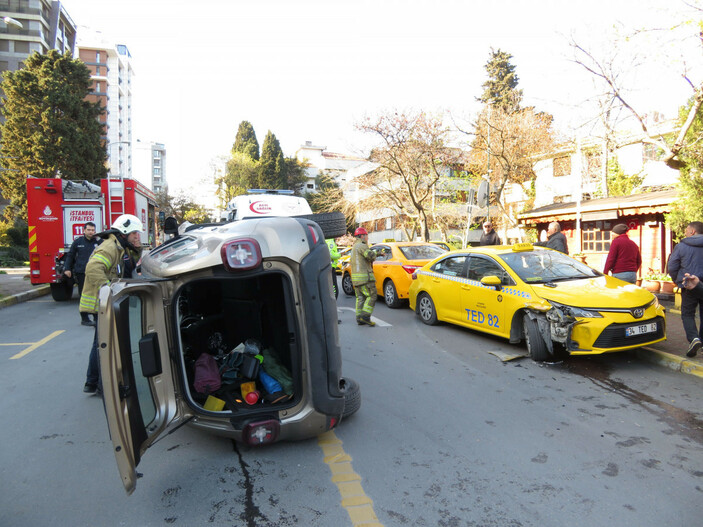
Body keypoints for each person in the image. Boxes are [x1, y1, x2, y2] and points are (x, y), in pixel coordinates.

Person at [81, 214, 144, 394]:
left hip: (104, 303)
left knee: (100, 342)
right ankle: (102, 386)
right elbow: (93, 268)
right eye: (134, 234)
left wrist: (137, 249)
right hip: (102, 303)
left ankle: (92, 382)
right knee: (104, 345)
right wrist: (108, 290)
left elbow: (128, 266)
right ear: (124, 232)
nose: (137, 237)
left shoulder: (120, 246)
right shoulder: (110, 247)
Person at [667, 221, 703, 358]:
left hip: (689, 284)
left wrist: (679, 281)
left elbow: (672, 266)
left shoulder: (682, 246)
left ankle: (694, 339)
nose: (685, 232)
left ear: (692, 231)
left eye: (687, 230)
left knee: (687, 314)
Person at [63, 221, 101, 326]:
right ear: (84, 230)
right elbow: (70, 255)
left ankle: (96, 317)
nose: (91, 232)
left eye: (93, 230)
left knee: (95, 295)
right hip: (82, 272)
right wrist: (67, 268)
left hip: (95, 273)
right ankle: (84, 318)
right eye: (88, 230)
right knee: (84, 296)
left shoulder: (99, 242)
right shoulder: (78, 242)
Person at [350, 227, 377, 327]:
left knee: (360, 298)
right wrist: (375, 254)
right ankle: (365, 317)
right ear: (362, 236)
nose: (367, 238)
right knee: (372, 296)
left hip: (356, 280)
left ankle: (359, 318)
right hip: (365, 279)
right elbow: (371, 256)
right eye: (366, 236)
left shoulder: (354, 247)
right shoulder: (362, 246)